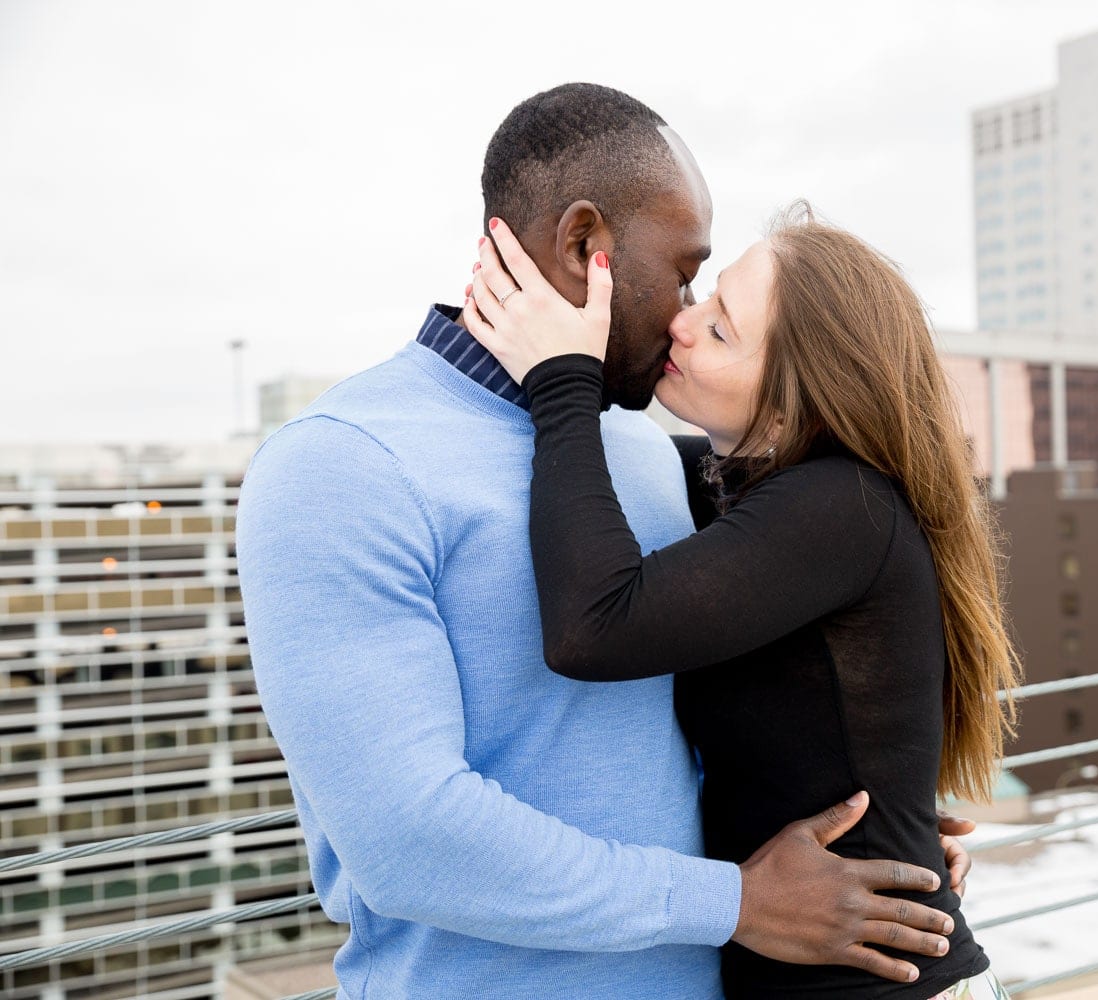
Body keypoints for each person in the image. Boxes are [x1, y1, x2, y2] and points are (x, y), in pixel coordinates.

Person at [237, 83, 974, 1000]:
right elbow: (409, 842)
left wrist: (867, 819)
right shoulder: (342, 466)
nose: (684, 312)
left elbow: (709, 707)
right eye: (684, 273)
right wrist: (734, 902)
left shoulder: (635, 446)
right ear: (587, 246)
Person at [460, 204, 1022, 999]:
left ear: (796, 406)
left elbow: (593, 627)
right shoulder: (751, 492)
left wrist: (562, 382)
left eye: (721, 330)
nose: (682, 326)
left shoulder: (838, 506)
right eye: (704, 300)